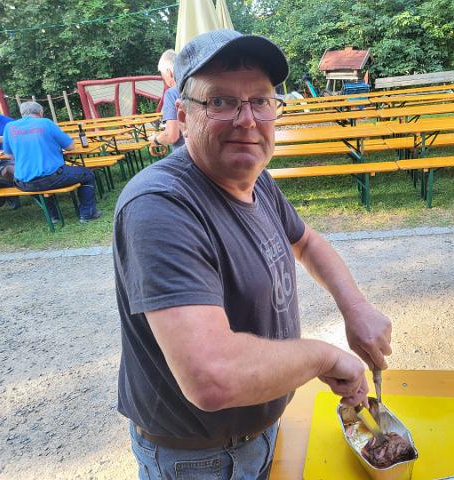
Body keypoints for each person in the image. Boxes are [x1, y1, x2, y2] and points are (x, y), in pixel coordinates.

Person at [113, 29, 392, 480]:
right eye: (220, 102)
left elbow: (306, 242)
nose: (247, 120)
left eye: (260, 100)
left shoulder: (253, 176)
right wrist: (324, 357)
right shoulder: (160, 206)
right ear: (183, 114)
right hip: (199, 459)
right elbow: (212, 376)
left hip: (257, 431)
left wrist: (355, 307)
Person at [3, 101, 102, 223]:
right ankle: (87, 213)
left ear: (22, 114)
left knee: (39, 184)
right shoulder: (45, 123)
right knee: (87, 174)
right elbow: (70, 147)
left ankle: (53, 216)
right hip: (51, 178)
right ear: (40, 113)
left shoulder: (9, 127)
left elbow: (9, 155)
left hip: (23, 182)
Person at [149, 49, 184, 150]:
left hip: (185, 155)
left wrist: (156, 139)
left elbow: (172, 135)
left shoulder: (172, 94)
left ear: (169, 73)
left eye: (163, 75)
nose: (164, 79)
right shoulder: (196, 86)